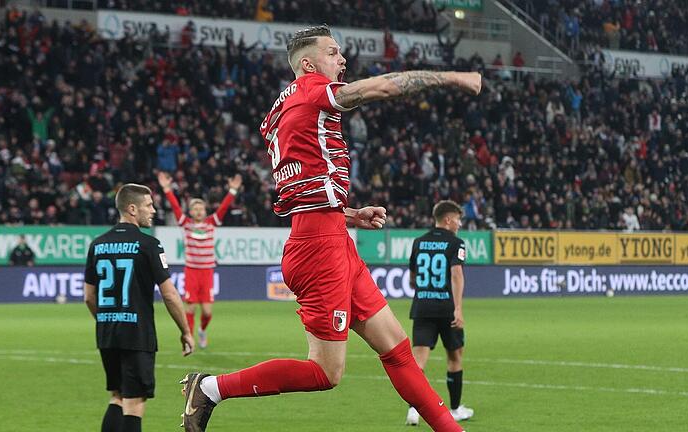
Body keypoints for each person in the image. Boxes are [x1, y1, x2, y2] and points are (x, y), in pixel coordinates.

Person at [180, 25, 482, 432]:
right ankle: (211, 387)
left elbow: (301, 184)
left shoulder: (279, 109)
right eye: (333, 52)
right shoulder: (310, 90)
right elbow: (381, 89)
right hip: (318, 248)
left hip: (330, 235)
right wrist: (450, 77)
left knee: (397, 349)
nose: (342, 60)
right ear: (308, 64)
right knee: (325, 372)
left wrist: (348, 213)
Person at [84, 183, 194, 432]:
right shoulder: (149, 245)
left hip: (107, 332)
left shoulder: (97, 245)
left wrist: (106, 320)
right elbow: (169, 294)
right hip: (137, 334)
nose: (153, 210)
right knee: (134, 403)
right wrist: (185, 330)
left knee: (117, 396)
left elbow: (88, 297)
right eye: (148, 205)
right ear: (132, 209)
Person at [405, 200, 474, 426]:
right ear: (448, 220)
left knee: (418, 362)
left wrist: (426, 293)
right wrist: (458, 308)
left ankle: (413, 411)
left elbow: (412, 278)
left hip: (422, 307)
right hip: (447, 309)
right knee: (455, 357)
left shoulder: (418, 242)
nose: (459, 224)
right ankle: (454, 409)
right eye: (457, 219)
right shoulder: (456, 243)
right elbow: (456, 275)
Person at [157, 171, 242, 349]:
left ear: (205, 211)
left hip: (207, 271)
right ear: (191, 211)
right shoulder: (186, 223)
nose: (197, 211)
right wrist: (166, 189)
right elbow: (175, 207)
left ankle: (202, 330)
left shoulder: (211, 222)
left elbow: (223, 208)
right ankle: (189, 339)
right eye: (194, 208)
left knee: (207, 311)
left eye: (200, 208)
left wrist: (232, 191)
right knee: (190, 308)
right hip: (191, 271)